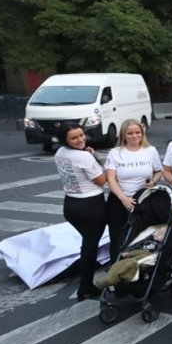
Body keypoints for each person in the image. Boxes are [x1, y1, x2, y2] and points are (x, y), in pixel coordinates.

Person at [55, 124, 109, 300]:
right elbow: (102, 181)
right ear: (66, 140)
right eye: (74, 138)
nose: (80, 140)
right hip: (91, 205)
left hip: (70, 205)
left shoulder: (60, 153)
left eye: (81, 135)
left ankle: (85, 282)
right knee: (89, 247)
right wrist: (95, 159)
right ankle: (85, 286)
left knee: (88, 244)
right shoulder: (84, 157)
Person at [104, 119, 162, 261]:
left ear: (142, 134)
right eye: (130, 133)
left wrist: (154, 181)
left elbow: (158, 171)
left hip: (144, 200)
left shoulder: (150, 151)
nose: (134, 136)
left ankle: (142, 269)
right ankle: (116, 269)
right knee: (118, 238)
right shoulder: (115, 153)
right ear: (123, 134)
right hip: (119, 201)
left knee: (142, 237)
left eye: (137, 132)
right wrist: (123, 198)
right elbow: (110, 179)